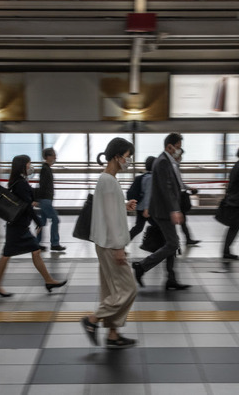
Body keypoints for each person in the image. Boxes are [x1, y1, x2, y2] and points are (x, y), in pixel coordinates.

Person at [80, 137, 138, 349]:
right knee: (128, 289)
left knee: (112, 290)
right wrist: (119, 248)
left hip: (104, 242)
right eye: (127, 157)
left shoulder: (108, 180)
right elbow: (111, 220)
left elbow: (109, 209)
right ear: (117, 156)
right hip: (111, 244)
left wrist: (124, 205)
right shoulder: (108, 180)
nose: (128, 161)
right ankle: (92, 320)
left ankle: (113, 334)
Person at [0, 155, 66, 297]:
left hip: (18, 225)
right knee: (7, 255)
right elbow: (26, 206)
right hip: (17, 227)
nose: (30, 166)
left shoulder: (17, 181)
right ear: (23, 165)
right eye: (29, 164)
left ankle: (48, 280)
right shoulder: (20, 183)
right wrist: (37, 221)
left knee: (34, 251)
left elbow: (26, 203)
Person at [132, 133, 191, 290]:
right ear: (169, 146)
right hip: (164, 211)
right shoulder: (163, 162)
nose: (179, 150)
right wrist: (174, 210)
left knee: (171, 243)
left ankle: (171, 279)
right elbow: (166, 189)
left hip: (163, 210)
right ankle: (142, 266)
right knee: (173, 243)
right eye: (178, 147)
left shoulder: (166, 161)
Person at [36, 147, 66, 251]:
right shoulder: (45, 169)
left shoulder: (46, 168)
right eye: (53, 155)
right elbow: (42, 185)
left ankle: (36, 243)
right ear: (48, 157)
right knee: (55, 219)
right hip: (45, 200)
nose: (55, 157)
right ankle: (54, 243)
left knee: (42, 222)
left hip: (45, 199)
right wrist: (37, 199)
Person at [176, 148, 200, 245]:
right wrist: (189, 188)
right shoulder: (174, 167)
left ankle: (188, 239)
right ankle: (182, 240)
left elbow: (180, 183)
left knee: (183, 220)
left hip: (177, 196)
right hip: (177, 197)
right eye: (180, 155)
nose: (181, 158)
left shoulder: (176, 166)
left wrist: (189, 188)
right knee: (181, 220)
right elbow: (179, 183)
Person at [129, 155, 155, 240]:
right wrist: (147, 209)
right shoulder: (150, 178)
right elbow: (148, 194)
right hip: (145, 209)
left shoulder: (145, 176)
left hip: (140, 206)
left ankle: (122, 244)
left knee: (138, 228)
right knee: (160, 226)